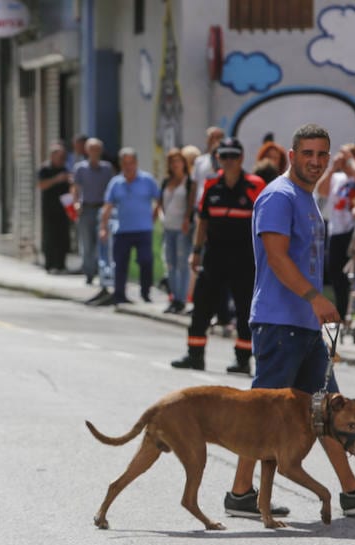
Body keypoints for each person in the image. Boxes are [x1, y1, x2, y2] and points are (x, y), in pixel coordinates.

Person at [227, 122, 355, 518]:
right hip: (278, 322)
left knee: (326, 411)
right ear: (291, 155)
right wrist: (314, 298)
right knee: (261, 411)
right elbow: (277, 257)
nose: (316, 161)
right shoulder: (279, 197)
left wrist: (316, 305)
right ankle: (239, 493)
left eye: (323, 154)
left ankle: (351, 490)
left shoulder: (306, 198)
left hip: (304, 324)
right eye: (308, 153)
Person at [171, 137, 264, 373]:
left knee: (245, 310)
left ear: (241, 158)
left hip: (244, 258)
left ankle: (243, 360)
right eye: (224, 156)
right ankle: (195, 355)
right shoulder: (211, 186)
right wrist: (196, 251)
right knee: (201, 305)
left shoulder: (255, 186)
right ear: (218, 159)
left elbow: (265, 223)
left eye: (234, 156)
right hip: (215, 257)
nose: (229, 161)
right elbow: (202, 221)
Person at [100, 147, 161, 304]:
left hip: (143, 229)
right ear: (121, 164)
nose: (128, 166)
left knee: (146, 260)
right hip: (123, 230)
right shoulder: (116, 183)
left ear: (136, 163)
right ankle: (119, 294)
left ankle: (145, 292)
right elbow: (107, 206)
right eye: (125, 163)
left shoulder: (147, 180)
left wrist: (154, 216)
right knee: (120, 263)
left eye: (131, 163)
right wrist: (103, 227)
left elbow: (159, 200)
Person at [317, 143, 355, 319]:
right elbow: (321, 190)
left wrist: (351, 160)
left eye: (350, 158)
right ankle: (341, 310)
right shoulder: (337, 178)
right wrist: (333, 167)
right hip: (336, 230)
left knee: (354, 273)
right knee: (335, 272)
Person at [71, 137, 114, 292]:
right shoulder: (80, 168)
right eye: (92, 149)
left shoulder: (107, 169)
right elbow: (75, 188)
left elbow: (111, 189)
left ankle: (102, 272)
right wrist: (76, 203)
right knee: (87, 242)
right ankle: (89, 272)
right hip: (86, 209)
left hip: (101, 208)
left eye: (97, 149)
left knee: (102, 242)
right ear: (87, 151)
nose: (94, 152)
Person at [157, 148, 194, 313]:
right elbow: (161, 202)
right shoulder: (166, 181)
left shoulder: (189, 181)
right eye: (172, 162)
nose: (175, 165)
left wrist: (187, 219)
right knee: (170, 263)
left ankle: (181, 299)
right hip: (168, 226)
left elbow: (191, 203)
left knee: (182, 263)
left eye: (178, 161)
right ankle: (174, 297)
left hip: (182, 227)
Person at [37, 143, 72, 274]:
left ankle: (61, 264)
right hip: (49, 209)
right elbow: (41, 185)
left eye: (63, 156)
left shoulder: (65, 168)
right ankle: (50, 264)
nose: (62, 159)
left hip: (64, 208)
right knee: (50, 236)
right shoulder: (45, 169)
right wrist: (57, 179)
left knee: (63, 236)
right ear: (52, 156)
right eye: (59, 156)